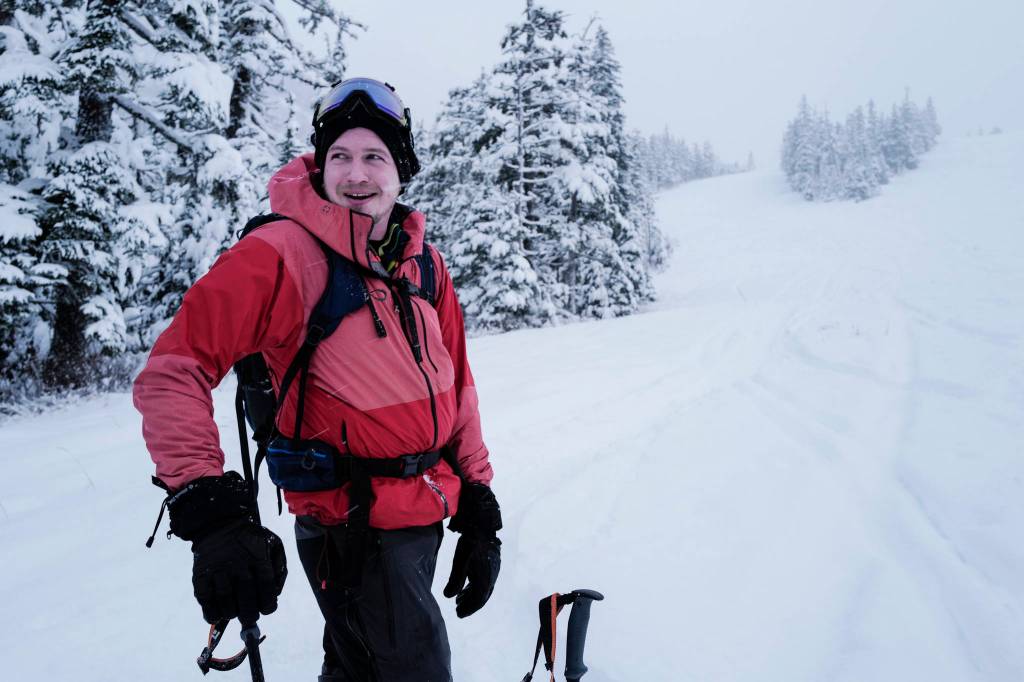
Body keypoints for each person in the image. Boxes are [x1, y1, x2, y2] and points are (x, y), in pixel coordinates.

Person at [134, 77, 502, 682]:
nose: (357, 174)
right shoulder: (283, 253)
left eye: (375, 157)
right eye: (341, 157)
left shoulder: (423, 263)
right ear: (321, 166)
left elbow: (458, 385)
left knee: (358, 664)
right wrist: (209, 509)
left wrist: (479, 501)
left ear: (402, 170)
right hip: (352, 526)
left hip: (421, 514)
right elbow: (175, 369)